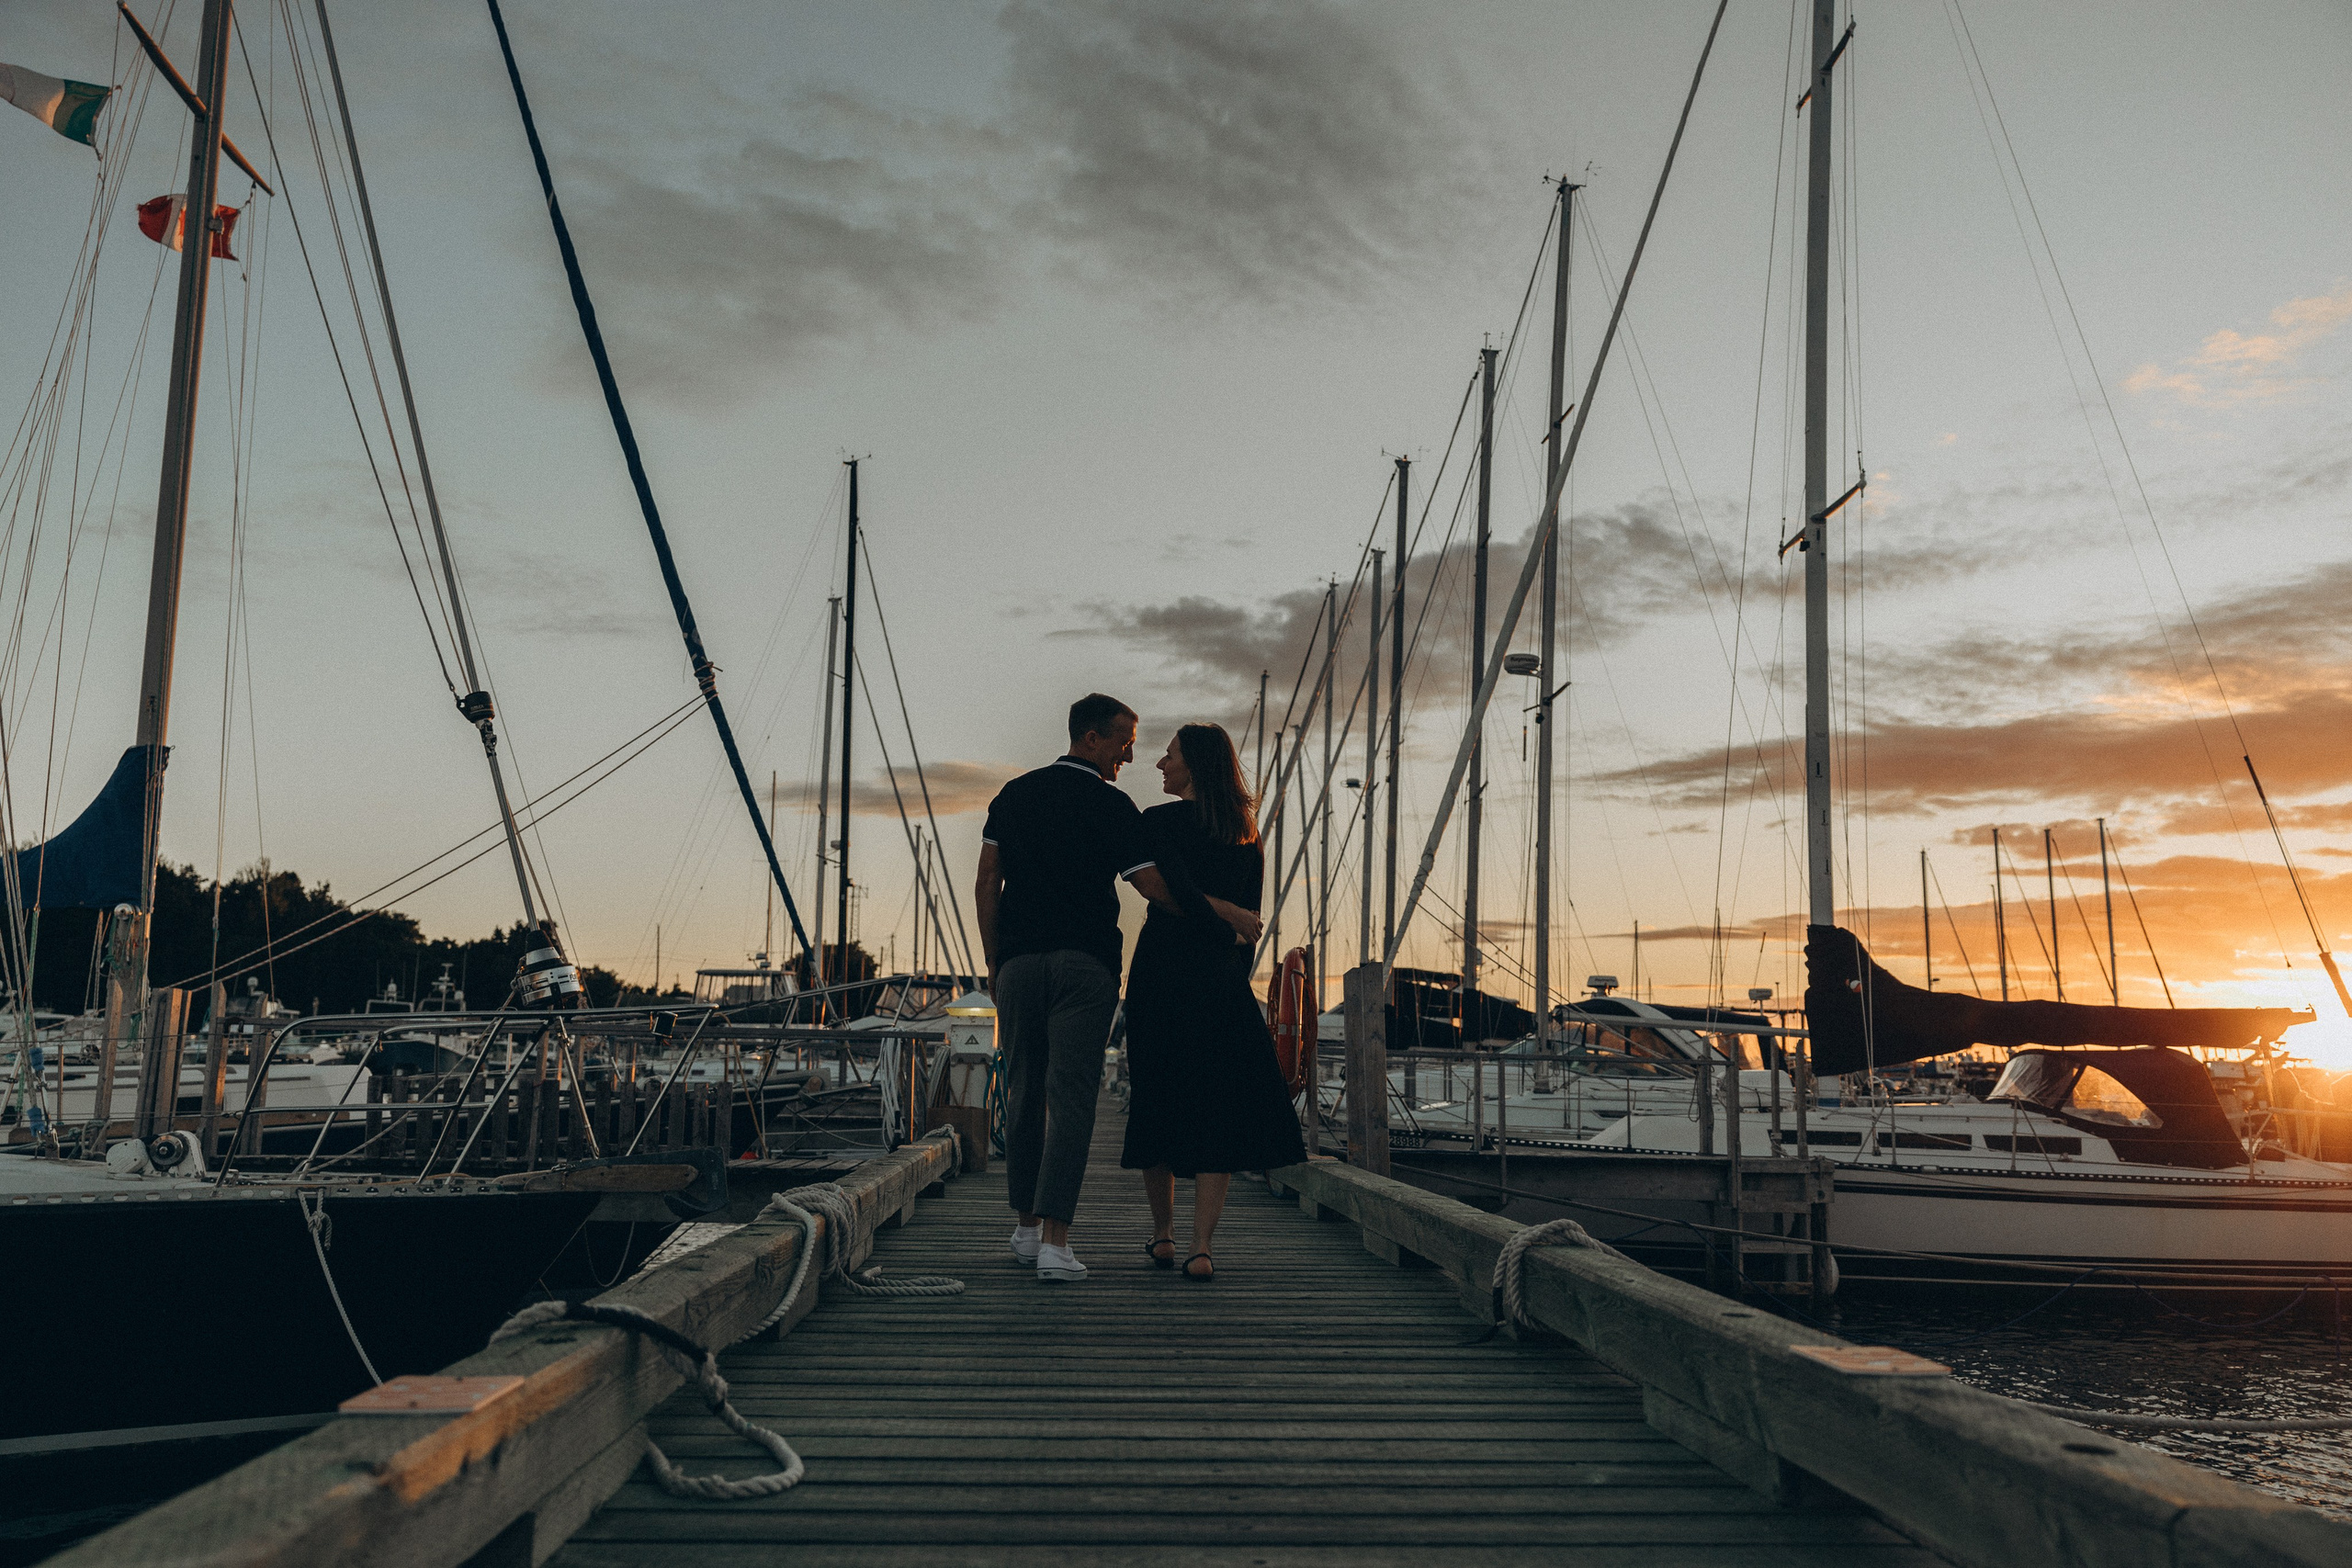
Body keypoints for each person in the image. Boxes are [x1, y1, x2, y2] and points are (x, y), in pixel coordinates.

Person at [976, 694, 1260, 1281]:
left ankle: (1026, 1230)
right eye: (1124, 743)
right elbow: (1154, 888)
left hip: (1020, 964)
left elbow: (987, 881)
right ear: (1092, 738)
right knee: (1073, 1097)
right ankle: (1056, 1245)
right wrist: (1226, 915)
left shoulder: (1014, 794)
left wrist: (994, 961)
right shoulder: (1111, 805)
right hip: (1086, 966)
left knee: (1025, 1089)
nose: (1131, 757)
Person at [1120, 722, 1306, 1280]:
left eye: (1169, 754)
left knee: (1156, 1095)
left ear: (1194, 764)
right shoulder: (1246, 836)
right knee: (1216, 1105)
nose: (1159, 764)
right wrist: (1225, 922)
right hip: (1220, 978)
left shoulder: (1155, 823)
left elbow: (1162, 890)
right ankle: (1201, 1246)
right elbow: (1247, 924)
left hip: (1161, 972)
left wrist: (1217, 918)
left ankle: (1163, 1234)